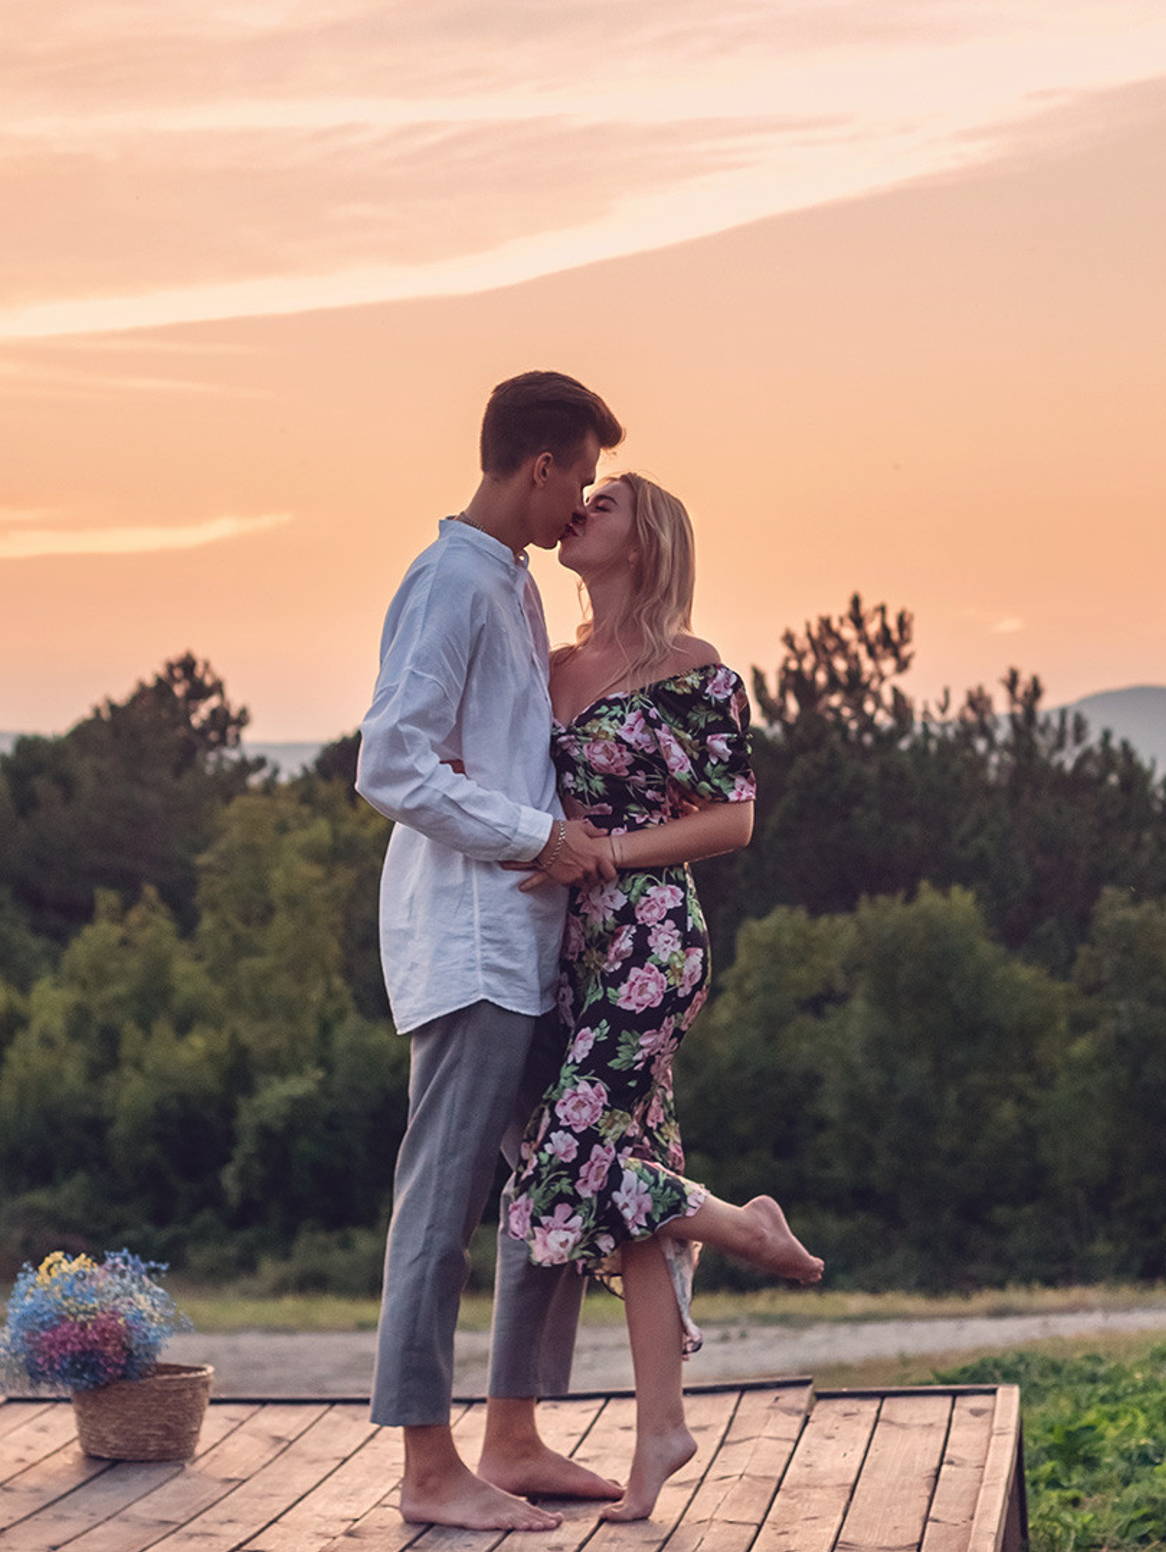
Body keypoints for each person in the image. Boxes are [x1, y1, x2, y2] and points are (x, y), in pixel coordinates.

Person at [503, 472, 825, 1522]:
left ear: (646, 540)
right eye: (581, 496)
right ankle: (662, 1431)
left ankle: (740, 1227)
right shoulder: (547, 668)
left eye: (606, 502)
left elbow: (731, 822)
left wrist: (605, 853)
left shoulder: (690, 666)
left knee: (568, 1156)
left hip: (651, 934)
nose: (582, 508)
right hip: (576, 948)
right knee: (626, 1179)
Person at [355, 371, 629, 1532]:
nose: (586, 503)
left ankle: (511, 1433)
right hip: (465, 945)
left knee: (551, 1179)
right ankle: (428, 1464)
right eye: (583, 477)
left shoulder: (509, 586)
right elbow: (390, 764)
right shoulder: (451, 581)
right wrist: (538, 836)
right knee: (446, 1195)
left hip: (527, 941)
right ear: (541, 467)